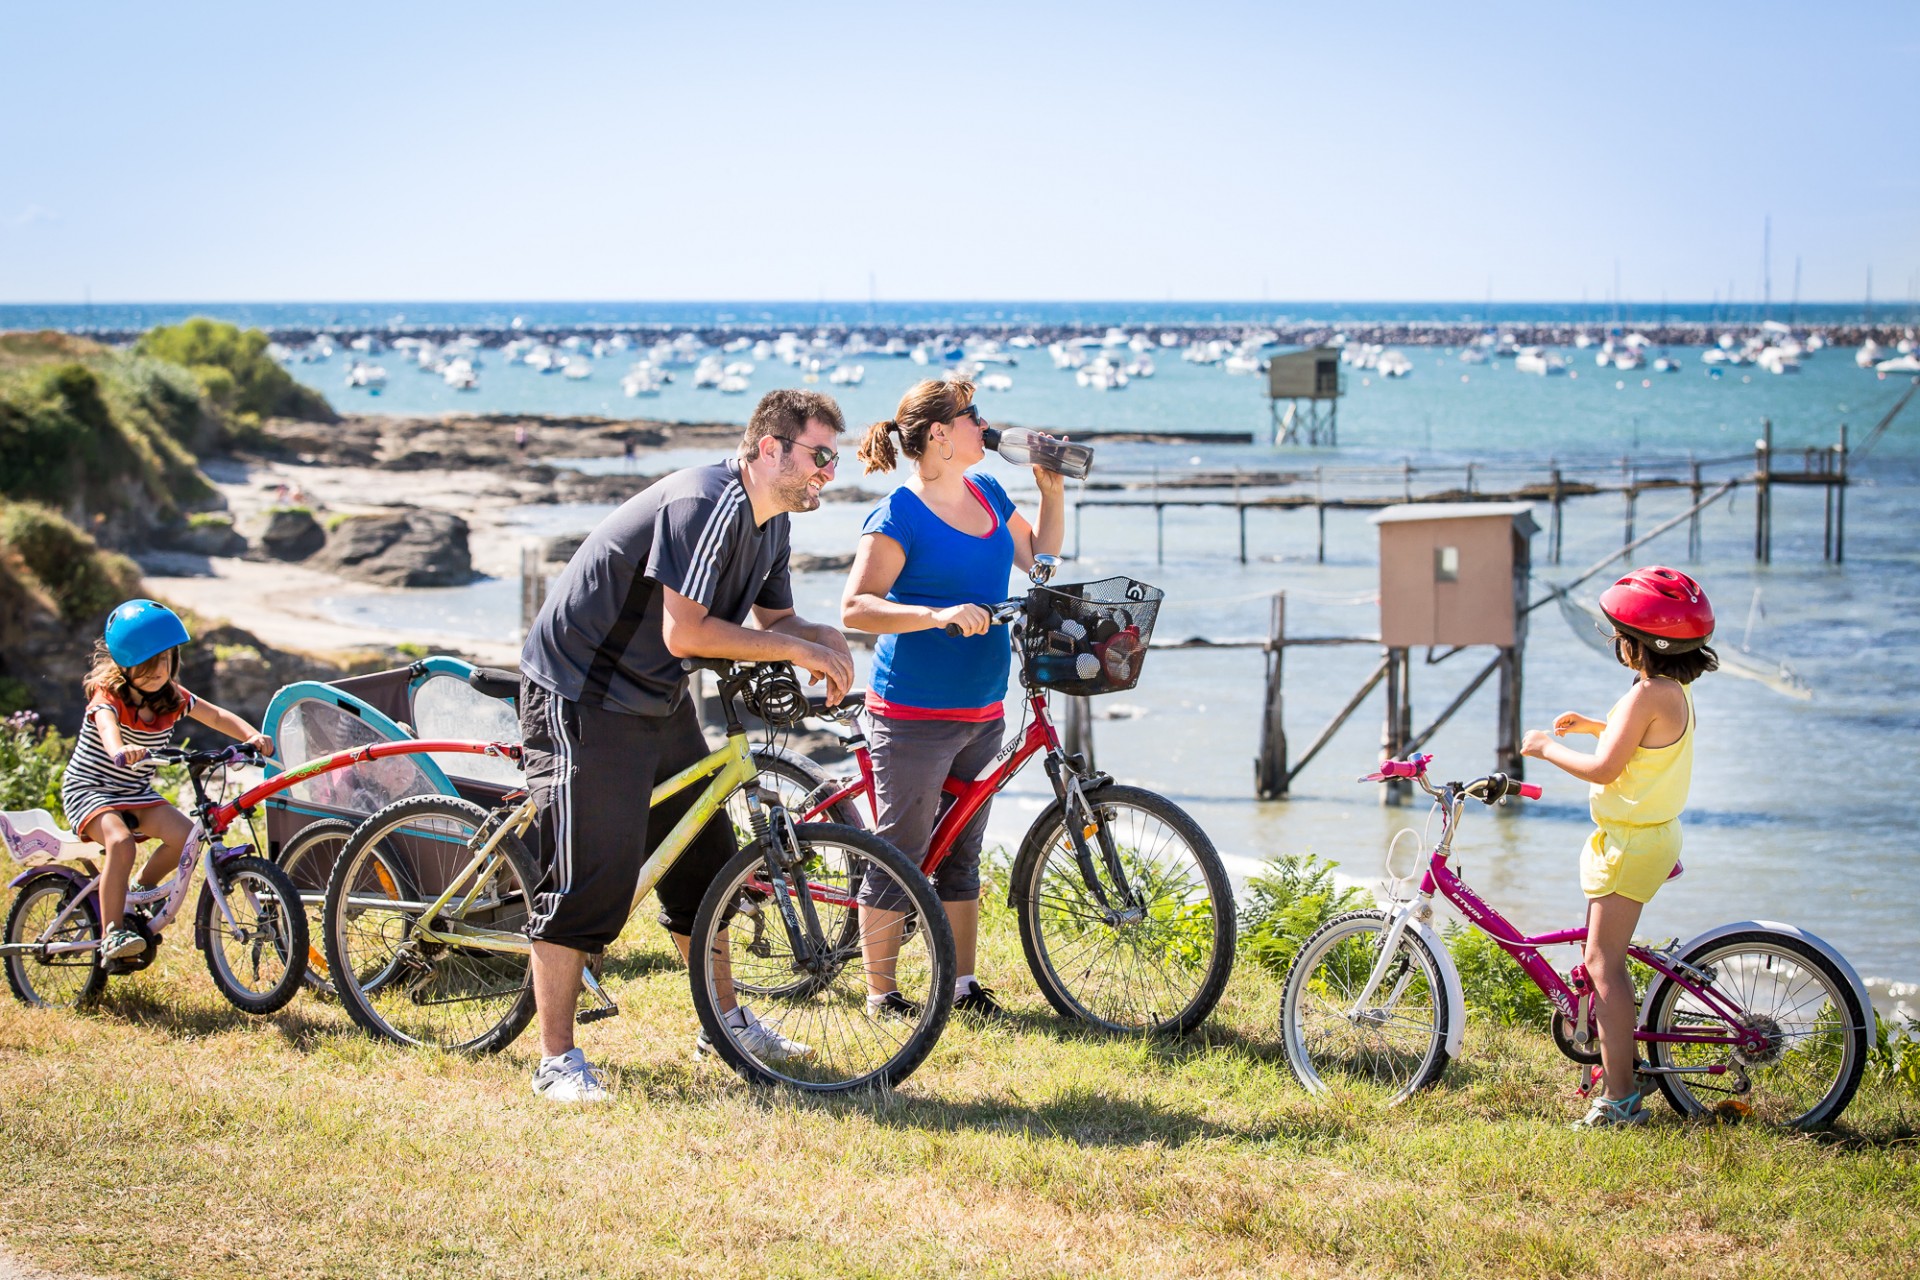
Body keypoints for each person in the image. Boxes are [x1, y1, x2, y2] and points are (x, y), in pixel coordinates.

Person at [518, 388, 855, 1104]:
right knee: (589, 876)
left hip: (654, 693)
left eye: (836, 457)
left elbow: (779, 616)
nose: (830, 470)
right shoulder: (709, 503)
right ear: (770, 449)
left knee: (704, 863)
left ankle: (723, 1023)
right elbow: (687, 633)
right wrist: (795, 650)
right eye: (819, 455)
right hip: (583, 689)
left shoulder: (770, 522)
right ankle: (556, 1060)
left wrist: (824, 640)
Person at [841, 379, 1064, 1021]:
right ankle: (881, 996)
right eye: (974, 417)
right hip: (912, 713)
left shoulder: (990, 492)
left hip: (982, 707)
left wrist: (1053, 493)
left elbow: (1040, 567)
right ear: (941, 432)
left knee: (963, 853)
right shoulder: (899, 514)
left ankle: (963, 987)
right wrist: (936, 615)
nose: (986, 426)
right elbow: (857, 608)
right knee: (899, 855)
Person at [1521, 566, 1718, 1130]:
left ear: (1641, 644)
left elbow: (1609, 766)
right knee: (1601, 955)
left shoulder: (1645, 693)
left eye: (1618, 637)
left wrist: (1546, 749)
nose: (1616, 645)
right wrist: (1591, 725)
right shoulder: (1668, 692)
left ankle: (1623, 1101)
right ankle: (1617, 1063)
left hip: (1630, 843)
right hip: (1645, 835)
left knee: (1602, 963)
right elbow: (1638, 743)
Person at [59, 600, 274, 963]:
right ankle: (112, 933)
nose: (159, 670)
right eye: (147, 664)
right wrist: (121, 748)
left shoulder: (171, 697)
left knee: (187, 837)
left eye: (165, 659)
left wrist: (252, 736)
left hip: (135, 792)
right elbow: (107, 727)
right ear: (126, 663)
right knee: (121, 843)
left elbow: (217, 716)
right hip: (91, 789)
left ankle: (138, 891)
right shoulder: (107, 696)